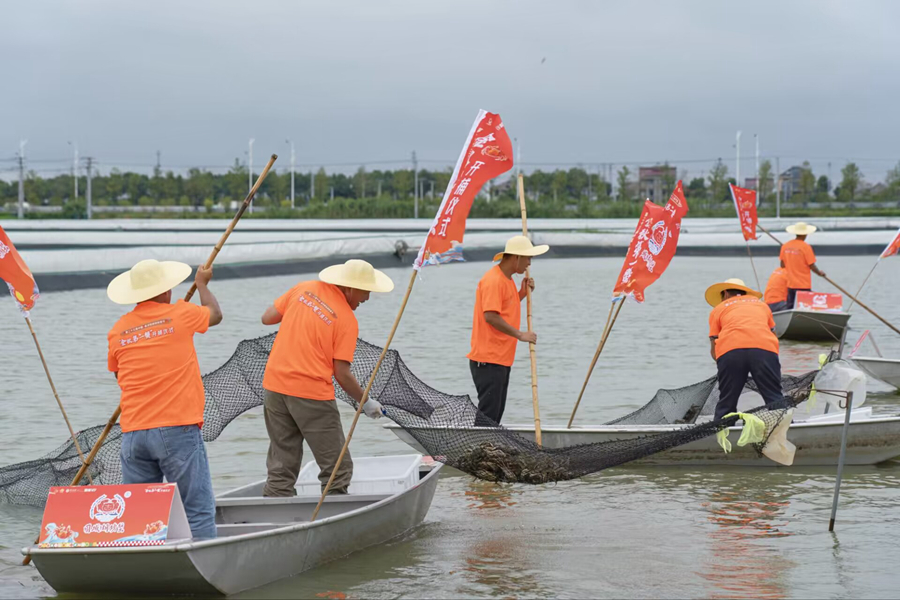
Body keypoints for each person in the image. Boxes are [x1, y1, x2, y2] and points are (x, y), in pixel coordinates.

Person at [107, 259, 223, 539]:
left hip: (133, 433)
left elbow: (120, 374)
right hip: (176, 429)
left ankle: (144, 562)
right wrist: (202, 285)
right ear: (166, 290)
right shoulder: (181, 313)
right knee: (197, 509)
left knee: (139, 516)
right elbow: (215, 314)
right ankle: (204, 559)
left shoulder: (118, 329)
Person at [260, 259, 393, 497]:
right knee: (337, 469)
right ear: (349, 288)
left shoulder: (304, 288)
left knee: (282, 465)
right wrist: (366, 402)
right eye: (365, 291)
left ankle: (274, 512)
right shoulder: (346, 320)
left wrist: (303, 317)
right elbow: (341, 373)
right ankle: (333, 513)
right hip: (311, 394)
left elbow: (268, 317)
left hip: (275, 387)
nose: (367, 298)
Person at [467, 235, 549, 425]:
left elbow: (505, 308)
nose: (529, 263)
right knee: (489, 414)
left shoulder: (507, 280)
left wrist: (522, 293)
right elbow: (490, 316)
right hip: (488, 360)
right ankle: (479, 443)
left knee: (496, 413)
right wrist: (521, 335)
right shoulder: (493, 280)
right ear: (516, 257)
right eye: (528, 258)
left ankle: (488, 442)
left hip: (501, 358)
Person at [706, 278, 784, 421]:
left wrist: (724, 367)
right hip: (764, 350)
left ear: (726, 293)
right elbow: (773, 335)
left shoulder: (718, 309)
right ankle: (785, 426)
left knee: (727, 400)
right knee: (774, 396)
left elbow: (714, 348)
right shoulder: (762, 305)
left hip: (731, 352)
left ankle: (722, 428)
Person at [779, 222, 826, 307]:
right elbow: (812, 265)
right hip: (803, 284)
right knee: (806, 306)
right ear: (805, 234)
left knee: (790, 306)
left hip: (790, 284)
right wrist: (819, 273)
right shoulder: (806, 247)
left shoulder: (785, 246)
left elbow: (782, 265)